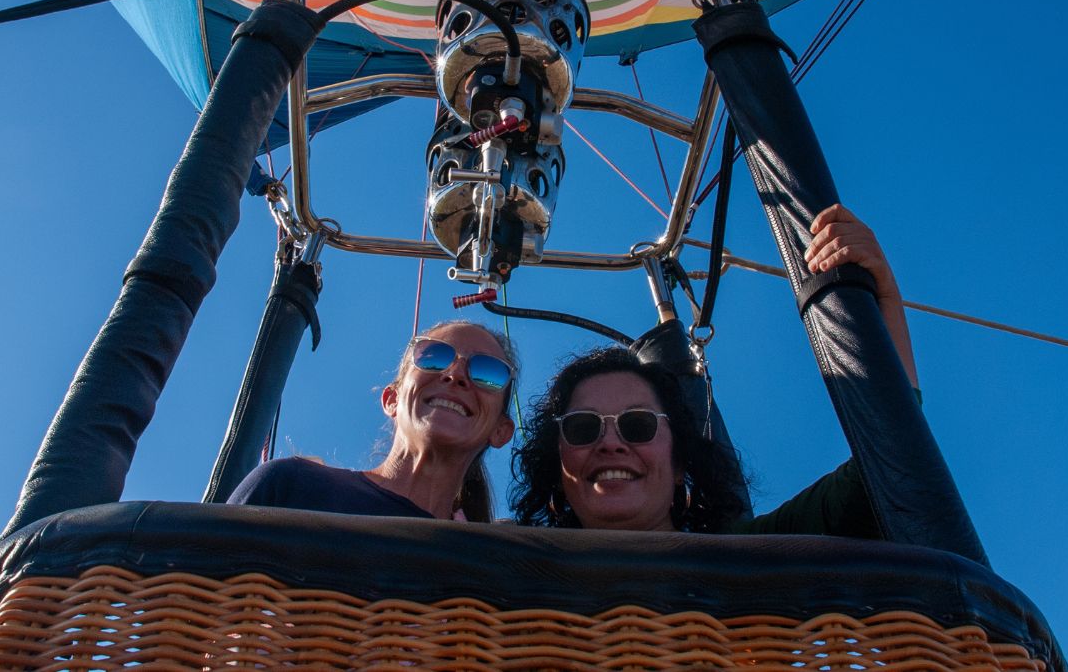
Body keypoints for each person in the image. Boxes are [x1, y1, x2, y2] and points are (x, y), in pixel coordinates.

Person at [510, 204, 911, 533]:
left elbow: (885, 470)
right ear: (557, 466)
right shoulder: (510, 571)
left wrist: (878, 294)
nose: (612, 443)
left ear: (679, 462)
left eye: (638, 425)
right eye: (583, 428)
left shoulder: (748, 560)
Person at [231, 320, 518, 522]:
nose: (455, 374)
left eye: (487, 372)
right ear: (392, 399)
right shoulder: (291, 489)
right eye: (434, 356)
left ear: (500, 431)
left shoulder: (483, 561)